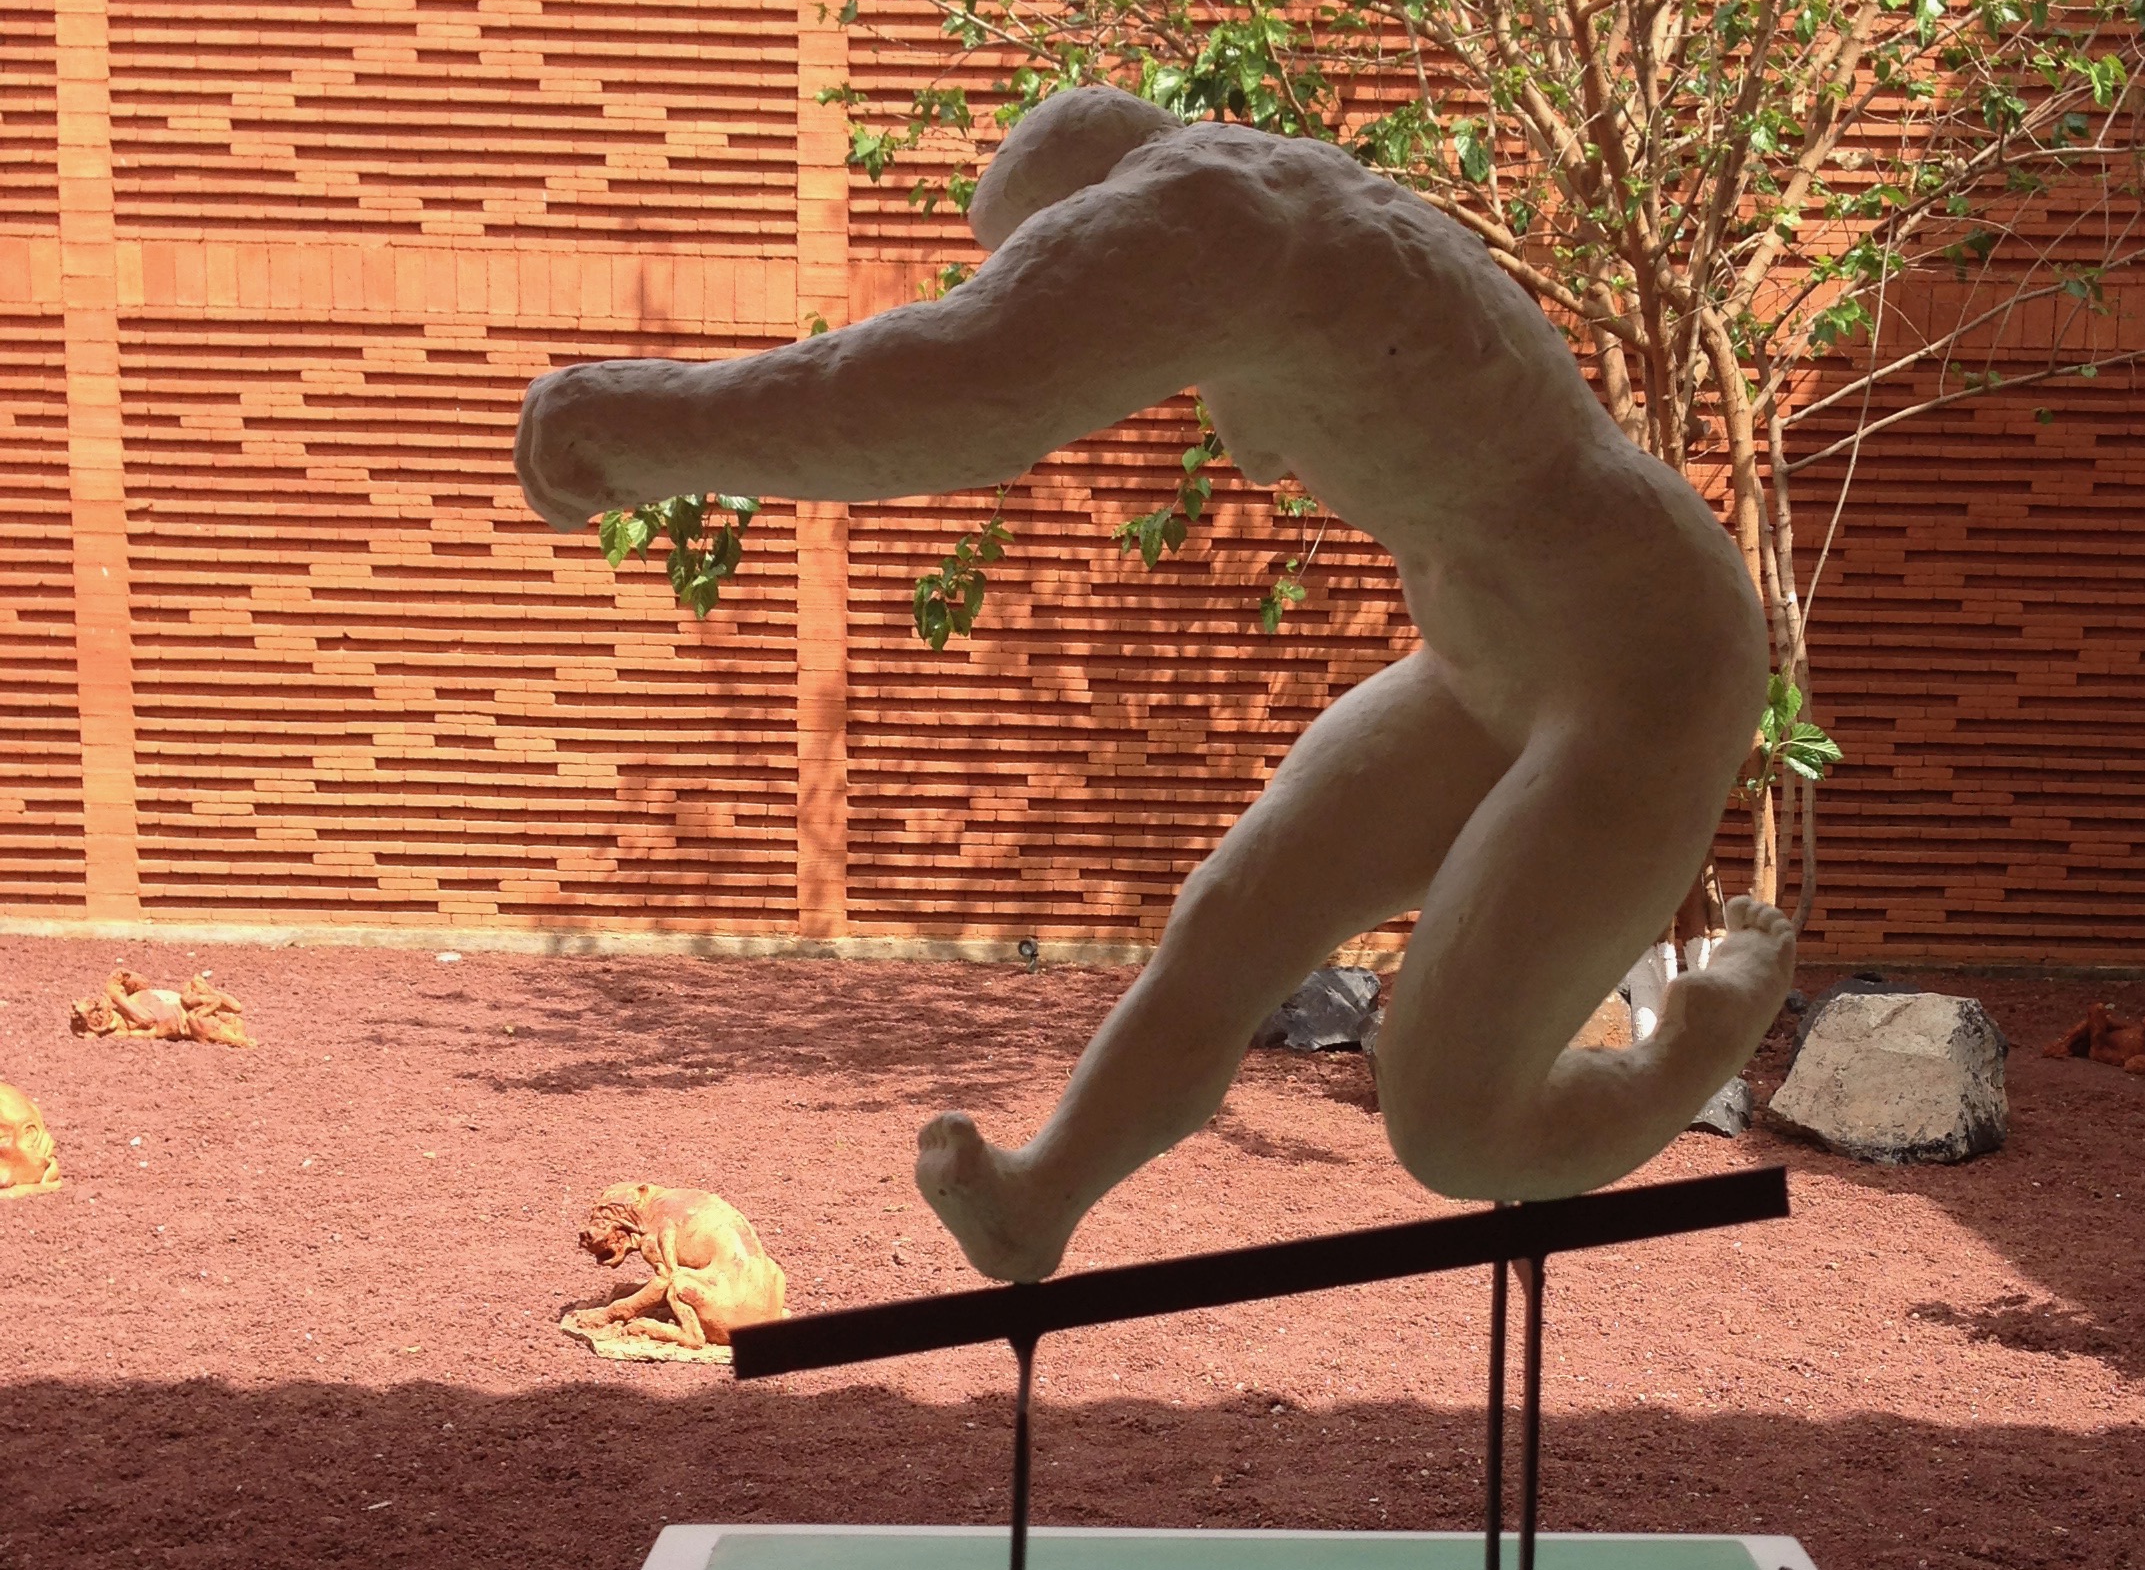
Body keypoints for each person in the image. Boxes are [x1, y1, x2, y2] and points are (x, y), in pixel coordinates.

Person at [515, 85, 1796, 1281]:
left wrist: (629, 424)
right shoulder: (1273, 208)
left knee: (1455, 1129)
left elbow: (960, 387)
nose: (1037, 289)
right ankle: (1039, 1199)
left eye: (1037, 261)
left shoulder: (1215, 216)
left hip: (1645, 667)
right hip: (1483, 663)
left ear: (1089, 220)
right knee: (1233, 916)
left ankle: (1712, 1020)